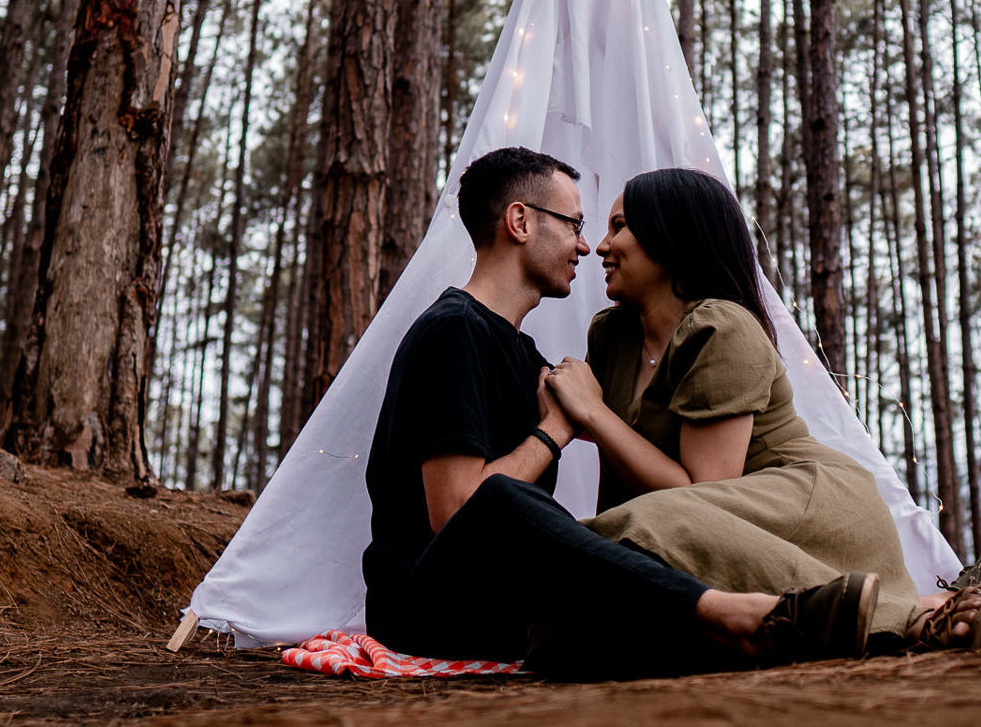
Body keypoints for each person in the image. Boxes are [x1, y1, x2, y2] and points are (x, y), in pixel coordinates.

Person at [361, 146, 881, 676]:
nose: (587, 246)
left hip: (508, 600)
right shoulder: (453, 332)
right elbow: (458, 513)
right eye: (574, 224)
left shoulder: (524, 356)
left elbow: (658, 463)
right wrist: (557, 430)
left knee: (608, 573)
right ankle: (730, 613)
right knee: (500, 501)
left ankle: (801, 625)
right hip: (430, 602)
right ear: (519, 221)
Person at [544, 167, 981, 652]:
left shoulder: (721, 328)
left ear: (672, 236)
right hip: (703, 516)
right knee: (602, 543)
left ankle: (914, 616)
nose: (600, 246)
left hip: (805, 501)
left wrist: (594, 414)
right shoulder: (612, 335)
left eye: (619, 226)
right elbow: (624, 486)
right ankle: (943, 601)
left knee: (655, 525)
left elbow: (704, 493)